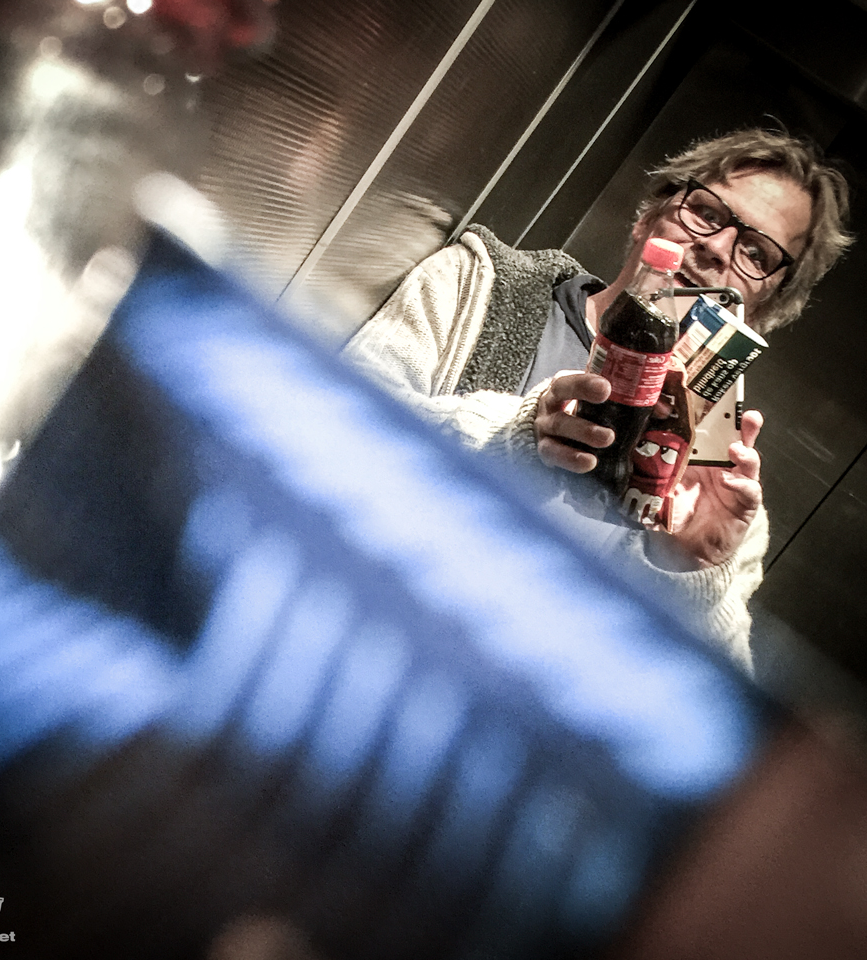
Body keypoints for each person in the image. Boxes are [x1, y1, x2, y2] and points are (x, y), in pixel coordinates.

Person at [342, 128, 853, 671]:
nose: (717, 247)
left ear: (764, 309)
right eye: (706, 212)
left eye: (755, 252)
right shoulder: (476, 285)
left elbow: (709, 695)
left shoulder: (722, 486)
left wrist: (695, 576)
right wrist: (511, 435)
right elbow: (335, 427)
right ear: (648, 217)